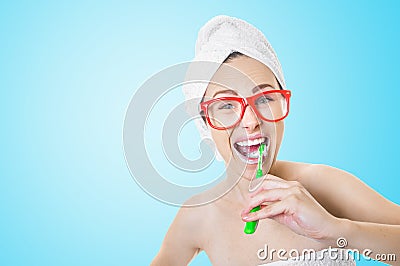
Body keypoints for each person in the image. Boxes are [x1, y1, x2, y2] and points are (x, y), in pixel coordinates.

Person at [151, 15, 400, 265]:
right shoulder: (199, 216)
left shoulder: (322, 185)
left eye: (265, 99)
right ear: (204, 122)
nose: (251, 121)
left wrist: (336, 230)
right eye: (226, 104)